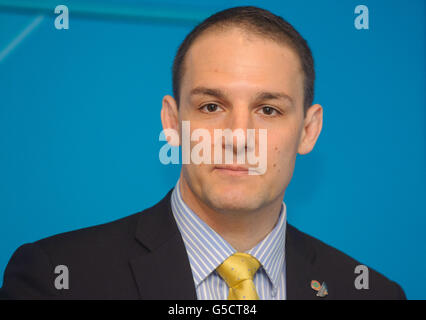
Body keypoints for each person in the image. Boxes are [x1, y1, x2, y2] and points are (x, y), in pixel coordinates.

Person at [0, 6, 405, 300]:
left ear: (309, 130)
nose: (237, 136)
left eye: (268, 110)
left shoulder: (372, 293)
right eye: (211, 107)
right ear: (173, 123)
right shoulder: (56, 278)